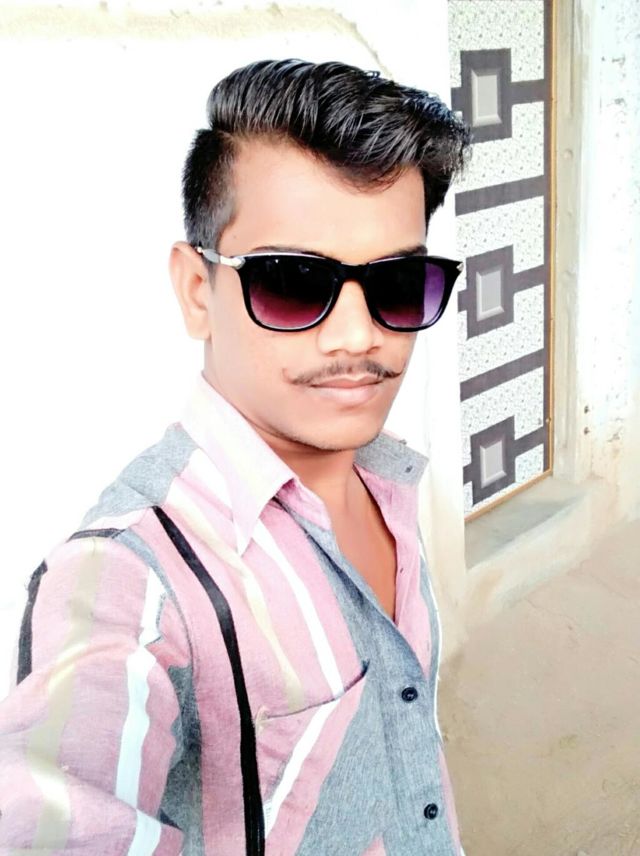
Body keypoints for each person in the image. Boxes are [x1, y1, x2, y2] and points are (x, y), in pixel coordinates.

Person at [0, 58, 470, 855]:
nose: (358, 336)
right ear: (196, 290)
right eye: (293, 282)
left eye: (398, 283)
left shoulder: (386, 479)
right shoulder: (129, 576)